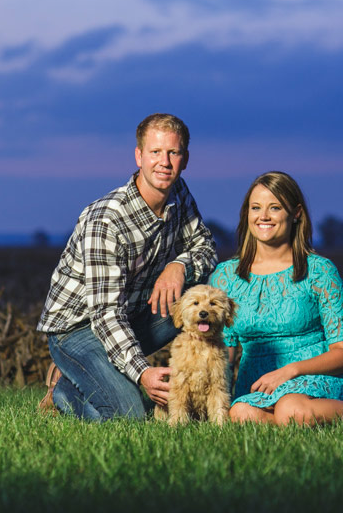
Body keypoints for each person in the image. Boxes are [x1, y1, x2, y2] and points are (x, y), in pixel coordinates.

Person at [37, 114, 218, 421]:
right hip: (78, 329)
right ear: (139, 156)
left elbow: (206, 247)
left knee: (196, 296)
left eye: (173, 153)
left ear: (185, 159)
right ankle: (65, 392)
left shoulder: (179, 192)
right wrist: (142, 373)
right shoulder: (107, 221)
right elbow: (106, 316)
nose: (165, 162)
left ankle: (204, 388)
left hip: (134, 313)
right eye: (155, 152)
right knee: (131, 415)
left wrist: (179, 264)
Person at [209, 171, 343, 425]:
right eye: (256, 207)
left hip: (313, 378)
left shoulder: (320, 271)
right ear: (246, 214)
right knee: (240, 414)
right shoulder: (225, 277)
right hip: (258, 385)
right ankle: (295, 421)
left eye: (275, 207)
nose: (263, 216)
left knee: (291, 409)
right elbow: (223, 350)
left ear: (296, 214)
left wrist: (290, 371)